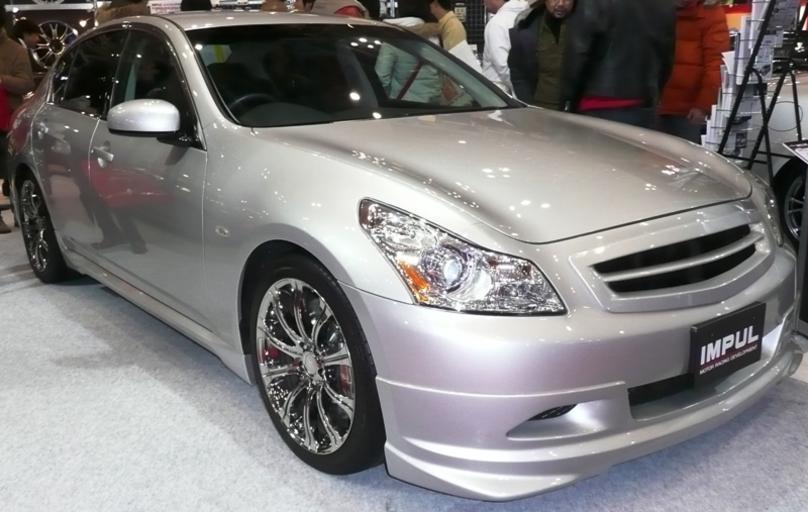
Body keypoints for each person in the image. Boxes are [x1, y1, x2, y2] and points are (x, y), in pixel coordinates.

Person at [560, 0, 676, 129]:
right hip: (644, 105)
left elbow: (577, 53)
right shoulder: (665, 4)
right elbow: (666, 59)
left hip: (597, 103)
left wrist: (567, 99)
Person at [658, 0, 729, 143]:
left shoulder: (710, 13)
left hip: (687, 111)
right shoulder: (656, 9)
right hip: (653, 103)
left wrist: (703, 105)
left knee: (684, 153)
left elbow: (716, 64)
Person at [0, 11, 35, 234]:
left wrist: (2, 79)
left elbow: (26, 83)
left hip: (6, 118)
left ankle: (19, 211)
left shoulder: (15, 50)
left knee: (10, 168)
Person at [508, 0, 573, 108]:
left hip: (578, 108)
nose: (561, 3)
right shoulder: (528, 25)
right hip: (540, 107)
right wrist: (529, 103)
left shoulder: (587, 25)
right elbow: (517, 71)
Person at [481, 0, 528, 93]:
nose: (483, 2)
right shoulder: (528, 17)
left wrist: (521, 91)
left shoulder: (497, 23)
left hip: (501, 93)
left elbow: (502, 66)